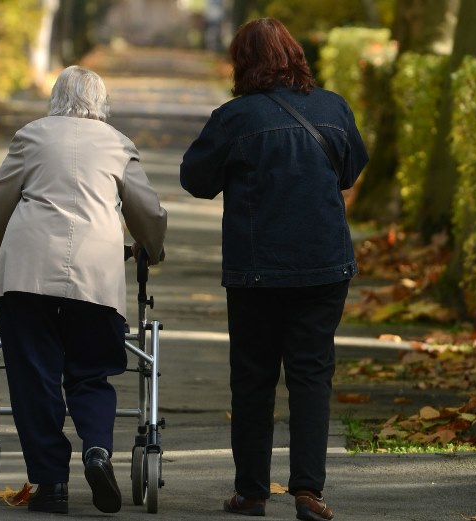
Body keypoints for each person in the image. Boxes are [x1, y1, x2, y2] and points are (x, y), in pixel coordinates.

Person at [179, 18, 368, 521]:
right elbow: (350, 169)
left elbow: (194, 179)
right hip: (325, 266)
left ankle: (252, 494)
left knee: (254, 379)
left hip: (256, 272)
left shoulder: (235, 118)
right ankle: (308, 493)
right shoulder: (333, 108)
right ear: (297, 55)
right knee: (311, 376)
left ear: (243, 64)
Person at [0, 65, 167, 515]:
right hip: (96, 276)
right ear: (101, 103)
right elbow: (147, 211)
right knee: (91, 371)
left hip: (27, 274)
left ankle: (51, 484)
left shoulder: (33, 136)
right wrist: (151, 249)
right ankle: (97, 451)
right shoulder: (118, 144)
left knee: (33, 377)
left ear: (55, 97)